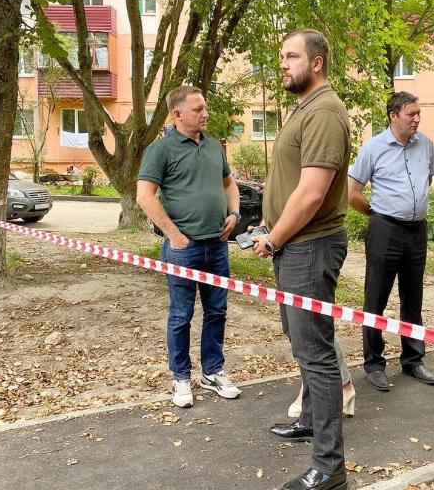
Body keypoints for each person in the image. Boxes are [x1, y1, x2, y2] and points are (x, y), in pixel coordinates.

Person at [252, 29, 350, 490]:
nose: (283, 64)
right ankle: (310, 419)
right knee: (301, 340)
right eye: (281, 57)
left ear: (316, 62)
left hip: (309, 246)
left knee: (317, 354)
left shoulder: (326, 111)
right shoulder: (307, 108)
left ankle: (330, 467)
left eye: (291, 56)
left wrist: (272, 238)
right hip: (297, 245)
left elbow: (311, 194)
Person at [136, 85, 243, 408]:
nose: (205, 113)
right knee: (181, 314)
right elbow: (144, 196)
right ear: (177, 114)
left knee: (217, 312)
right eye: (198, 109)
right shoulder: (161, 150)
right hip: (184, 249)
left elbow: (229, 184)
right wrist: (174, 235)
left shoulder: (213, 147)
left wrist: (234, 213)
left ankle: (212, 372)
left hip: (217, 246)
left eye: (205, 108)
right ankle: (180, 377)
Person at [348, 92, 434, 393]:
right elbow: (353, 193)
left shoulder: (425, 144)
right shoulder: (373, 147)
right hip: (385, 230)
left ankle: (413, 359)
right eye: (411, 114)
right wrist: (379, 215)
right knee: (375, 297)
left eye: (418, 114)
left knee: (413, 298)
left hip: (417, 231)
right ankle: (374, 364)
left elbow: (427, 180)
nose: (416, 119)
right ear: (393, 115)